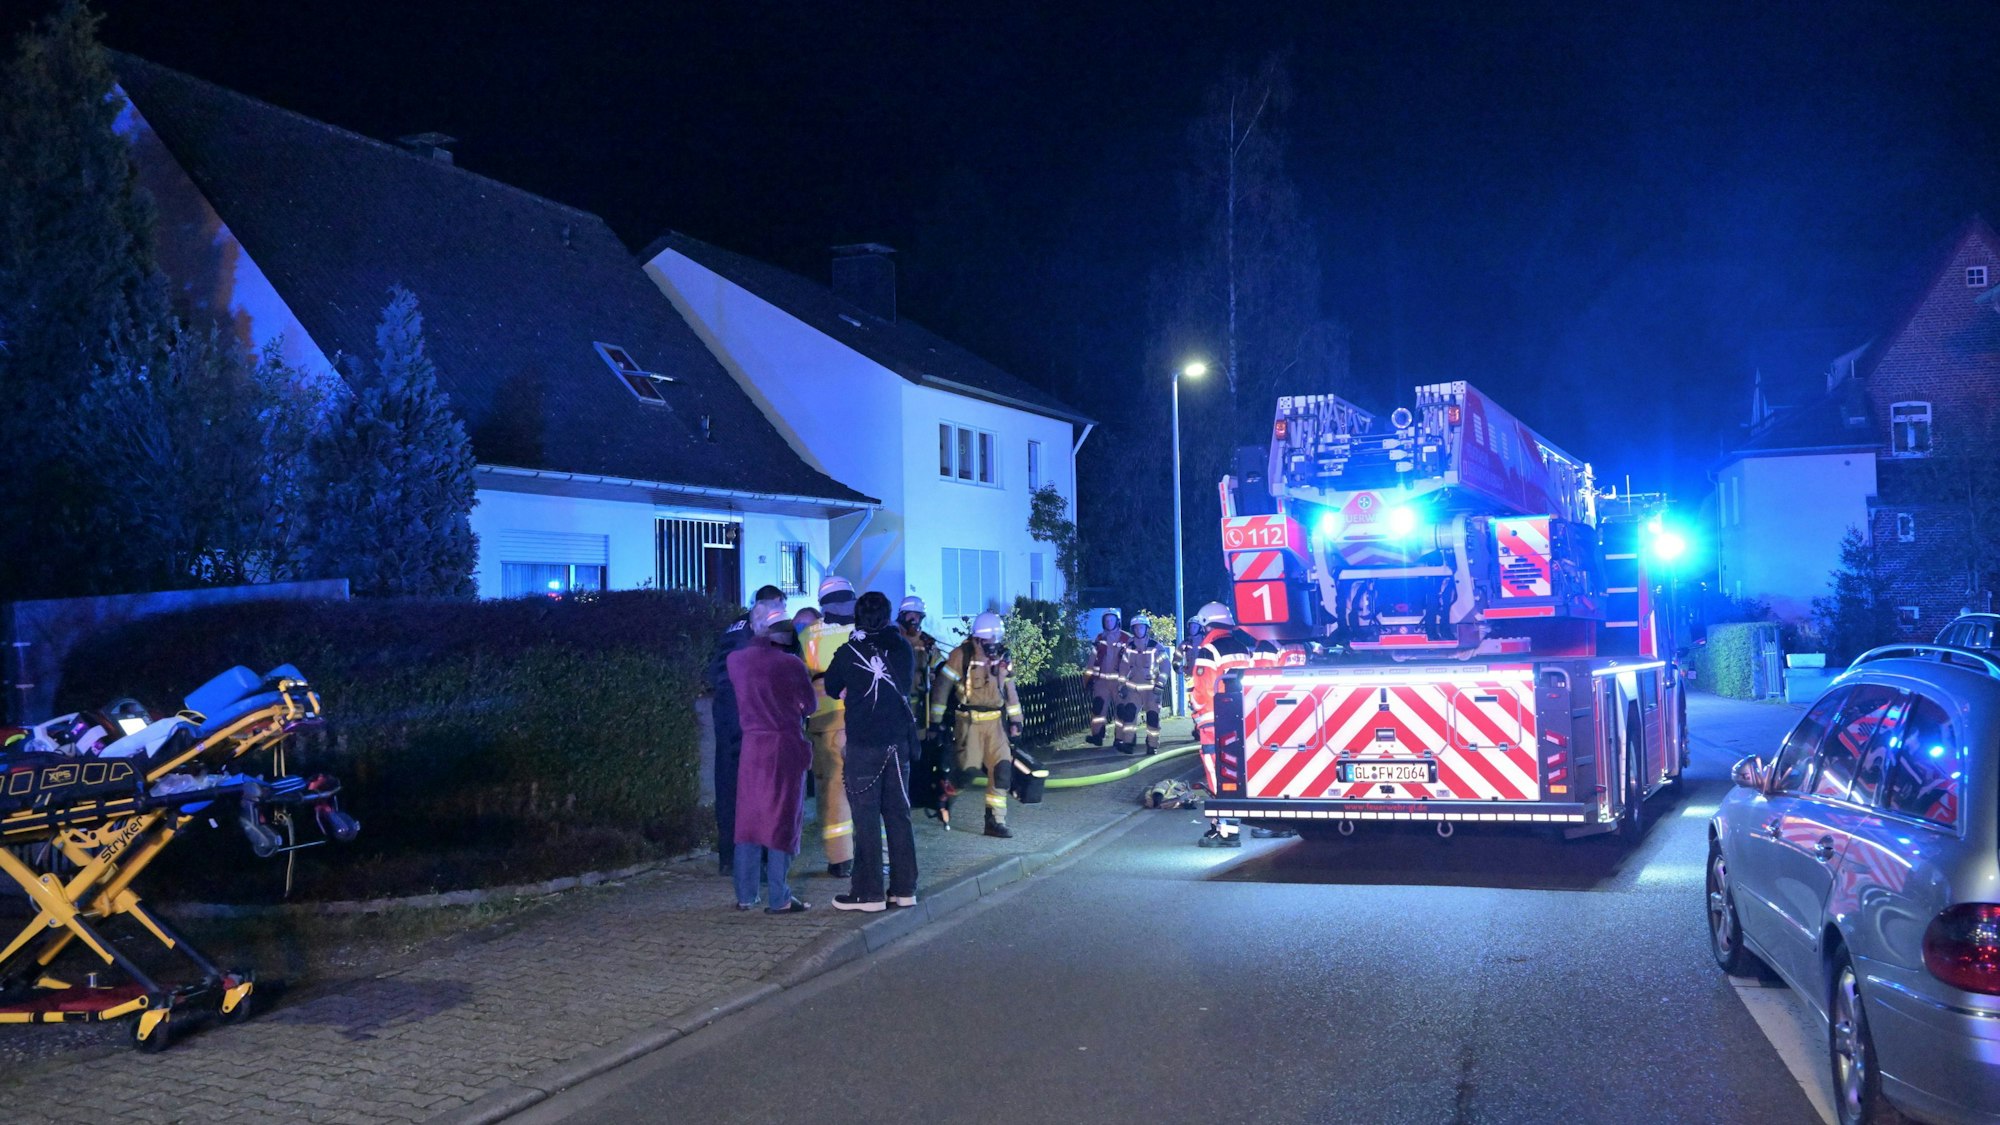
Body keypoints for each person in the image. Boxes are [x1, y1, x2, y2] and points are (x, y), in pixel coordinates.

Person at [823, 591, 919, 911]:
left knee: (865, 819)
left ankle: (869, 892)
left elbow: (831, 687)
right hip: (898, 744)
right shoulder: (903, 648)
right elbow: (906, 685)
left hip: (864, 745)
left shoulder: (849, 650)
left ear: (857, 617)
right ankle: (904, 889)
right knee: (898, 816)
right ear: (889, 614)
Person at [727, 603, 817, 914]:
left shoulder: (735, 661)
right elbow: (811, 705)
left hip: (752, 749)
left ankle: (745, 894)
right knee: (782, 821)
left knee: (748, 822)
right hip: (784, 747)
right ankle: (778, 897)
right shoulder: (791, 665)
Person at [705, 585, 787, 876]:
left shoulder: (732, 627)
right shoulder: (764, 630)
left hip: (726, 715)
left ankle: (728, 858)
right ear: (773, 604)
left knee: (728, 787)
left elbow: (712, 671)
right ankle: (759, 863)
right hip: (753, 718)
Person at [929, 610, 1025, 838]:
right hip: (968, 723)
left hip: (995, 725)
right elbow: (942, 688)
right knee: (966, 772)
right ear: (978, 638)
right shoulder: (961, 655)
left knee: (1002, 770)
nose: (994, 644)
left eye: (997, 639)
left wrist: (1016, 721)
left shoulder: (1003, 659)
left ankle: (995, 821)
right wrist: (935, 720)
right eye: (989, 640)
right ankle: (945, 797)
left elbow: (1010, 690)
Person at [1189, 602, 1258, 848]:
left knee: (1219, 777)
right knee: (1240, 775)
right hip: (1243, 720)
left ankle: (1226, 831)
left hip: (1214, 724)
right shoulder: (1242, 648)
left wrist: (1195, 713)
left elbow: (1203, 692)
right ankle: (1234, 826)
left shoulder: (1209, 650)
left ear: (1207, 623)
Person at [802, 577, 857, 877]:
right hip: (861, 722)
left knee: (833, 792)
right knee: (872, 786)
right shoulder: (863, 630)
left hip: (825, 725)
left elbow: (801, 677)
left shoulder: (810, 635)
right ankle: (881, 856)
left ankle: (840, 860)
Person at [1114, 616, 1167, 755]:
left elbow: (1165, 667)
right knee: (1129, 715)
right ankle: (1128, 743)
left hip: (1152, 690)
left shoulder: (1156, 647)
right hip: (1133, 689)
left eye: (1142, 627)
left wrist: (1160, 683)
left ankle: (1152, 745)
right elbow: (1123, 667)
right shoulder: (1129, 648)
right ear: (1133, 629)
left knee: (1153, 718)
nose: (1139, 630)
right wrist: (1121, 685)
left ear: (1147, 629)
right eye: (1136, 627)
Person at [1083, 611, 1130, 745]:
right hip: (1101, 682)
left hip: (1119, 683)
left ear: (1117, 621)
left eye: (1111, 620)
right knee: (1098, 709)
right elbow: (1091, 660)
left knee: (1121, 711)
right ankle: (1097, 736)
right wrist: (1087, 679)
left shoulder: (1126, 638)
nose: (1109, 622)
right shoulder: (1099, 638)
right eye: (1107, 620)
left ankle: (1120, 738)